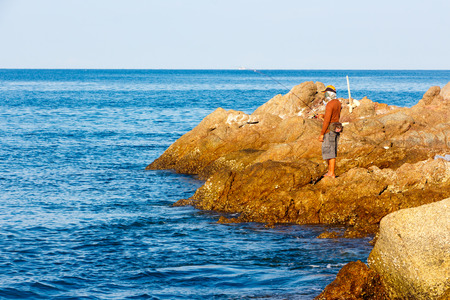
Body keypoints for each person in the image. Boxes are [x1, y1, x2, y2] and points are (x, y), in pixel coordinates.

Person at [318, 85, 342, 178]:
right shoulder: (338, 103)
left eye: (326, 93)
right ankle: (330, 172)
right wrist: (323, 115)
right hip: (336, 129)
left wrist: (322, 134)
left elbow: (327, 121)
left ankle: (331, 173)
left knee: (330, 152)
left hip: (329, 131)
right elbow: (334, 116)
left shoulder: (329, 104)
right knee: (332, 151)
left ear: (329, 93)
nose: (325, 95)